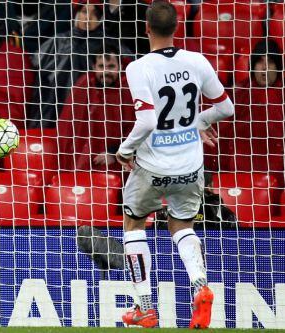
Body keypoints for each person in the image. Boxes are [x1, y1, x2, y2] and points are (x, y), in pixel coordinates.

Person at [114, 1, 234, 329]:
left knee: (134, 224)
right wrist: (198, 121)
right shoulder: (196, 60)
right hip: (191, 167)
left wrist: (124, 150)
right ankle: (200, 285)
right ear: (177, 27)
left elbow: (148, 121)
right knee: (182, 226)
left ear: (146, 28)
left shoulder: (138, 67)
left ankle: (144, 307)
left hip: (153, 167)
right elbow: (226, 108)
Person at [30, 1, 130, 128]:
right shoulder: (57, 42)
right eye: (84, 12)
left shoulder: (111, 45)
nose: (88, 18)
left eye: (94, 14)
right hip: (54, 112)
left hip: (94, 114)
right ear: (76, 14)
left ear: (101, 18)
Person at [57, 46, 134, 171]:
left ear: (120, 67)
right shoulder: (82, 87)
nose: (106, 72)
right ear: (94, 67)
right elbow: (67, 129)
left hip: (120, 162)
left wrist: (115, 153)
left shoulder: (128, 90)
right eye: (101, 66)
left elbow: (136, 129)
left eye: (111, 66)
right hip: (84, 164)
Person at [218, 39, 284, 174]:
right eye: (260, 61)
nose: (265, 67)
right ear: (252, 65)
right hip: (240, 164)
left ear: (278, 67)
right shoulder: (237, 93)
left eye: (270, 62)